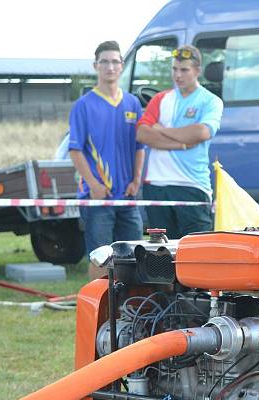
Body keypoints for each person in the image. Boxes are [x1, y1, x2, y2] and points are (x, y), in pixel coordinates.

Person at [68, 41, 145, 279]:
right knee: (100, 256)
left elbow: (139, 146)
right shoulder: (83, 105)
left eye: (115, 61)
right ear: (95, 66)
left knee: (135, 254)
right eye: (105, 62)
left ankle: (129, 306)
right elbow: (75, 150)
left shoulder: (132, 103)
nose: (110, 66)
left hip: (127, 197)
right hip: (98, 197)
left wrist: (136, 180)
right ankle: (97, 309)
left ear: (122, 66)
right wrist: (93, 185)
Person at [136, 45, 224, 239]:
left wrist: (161, 130)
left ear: (197, 71)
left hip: (192, 185)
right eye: (174, 69)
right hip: (157, 184)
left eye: (184, 70)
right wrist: (182, 143)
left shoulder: (210, 101)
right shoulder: (160, 98)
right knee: (161, 255)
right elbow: (142, 134)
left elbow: (201, 133)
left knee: (196, 253)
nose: (178, 75)